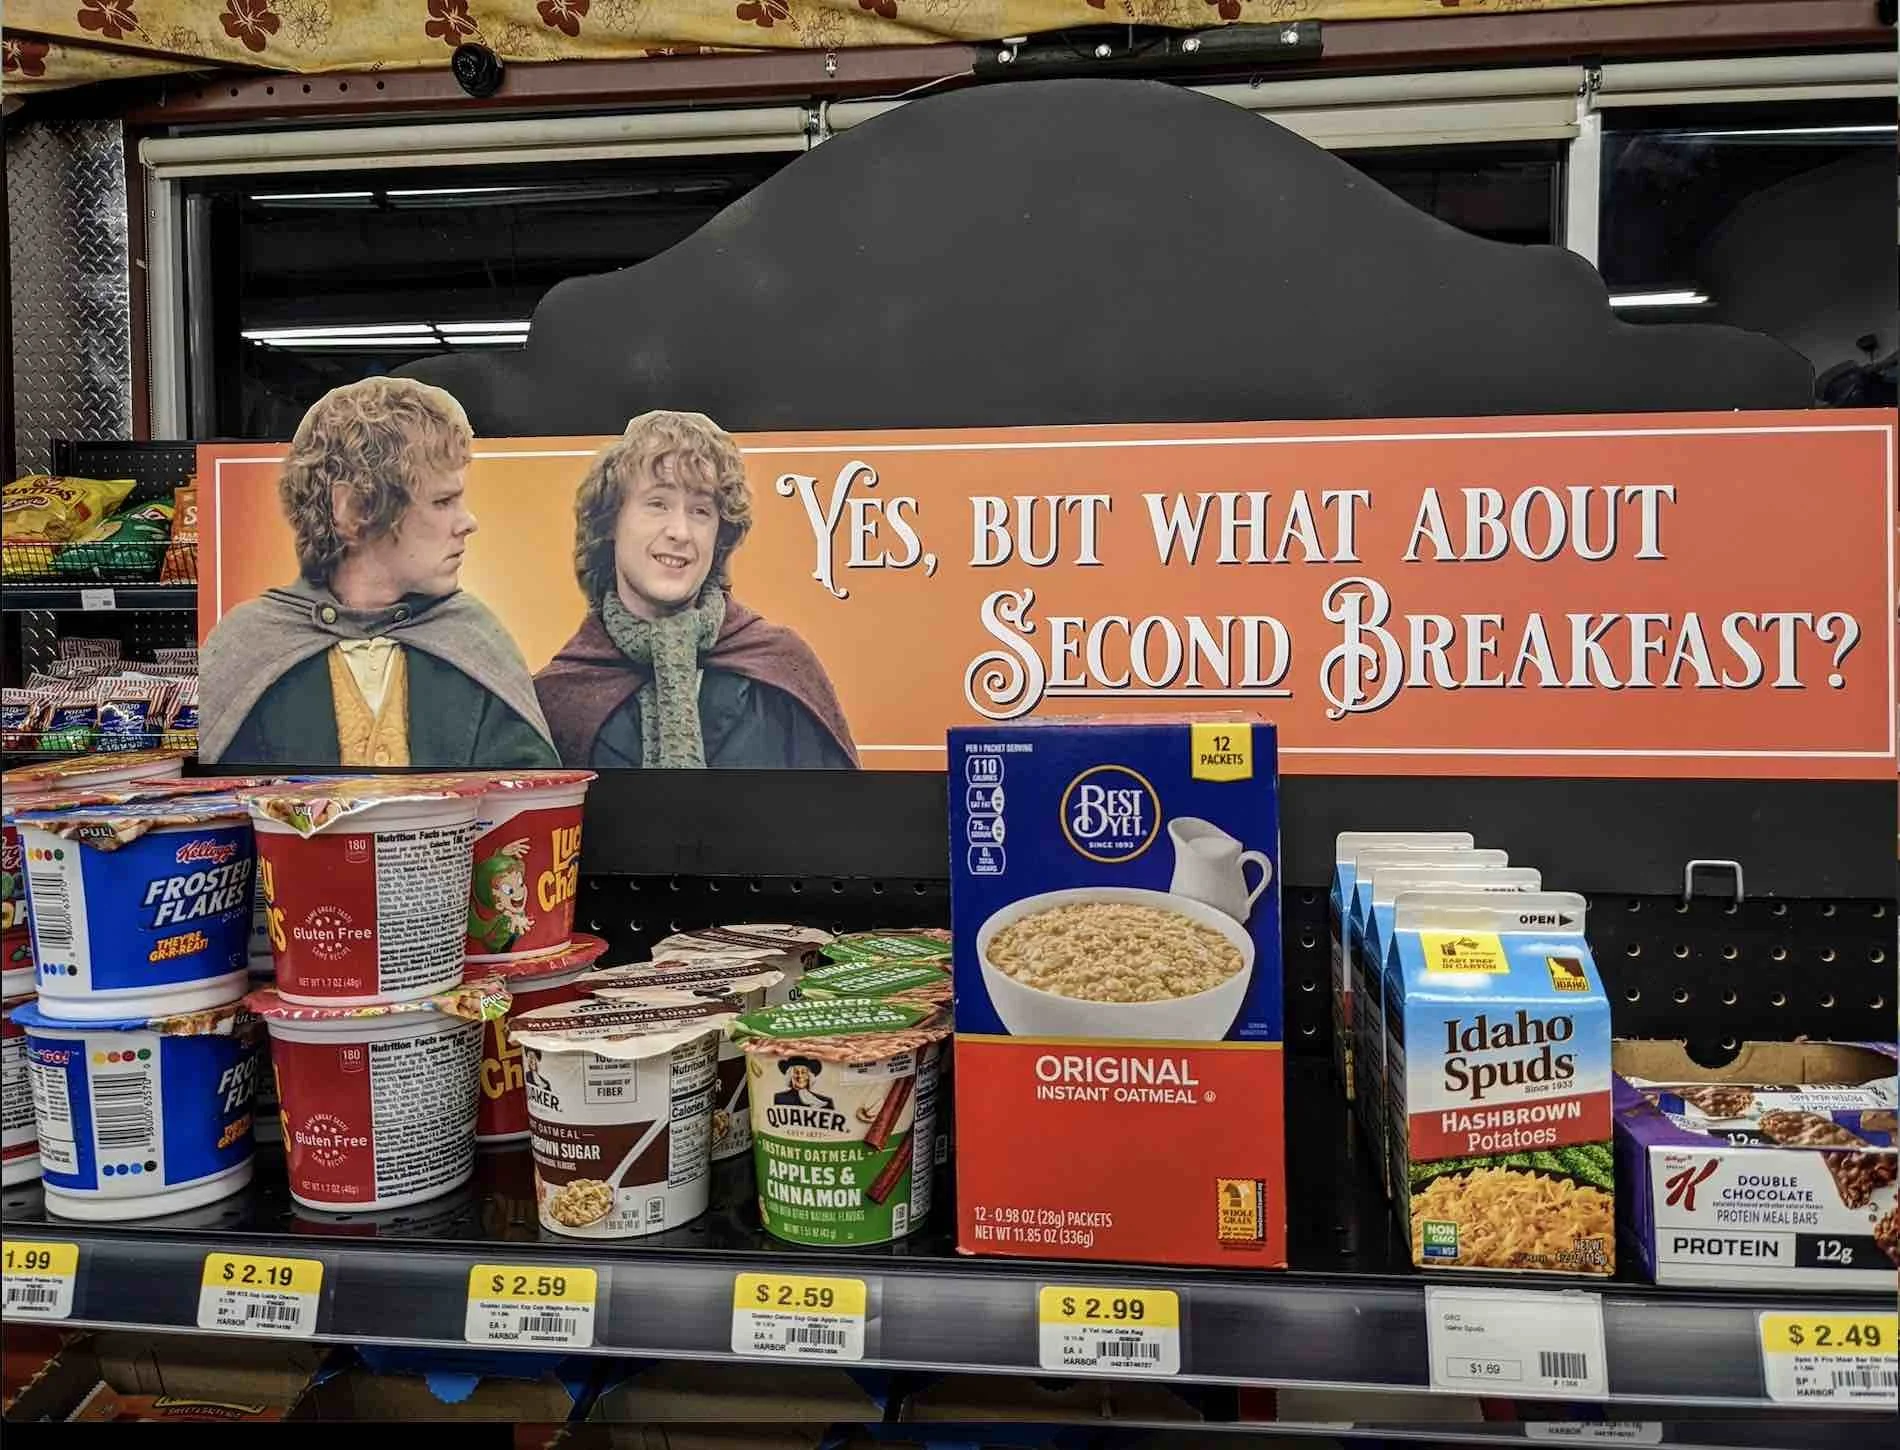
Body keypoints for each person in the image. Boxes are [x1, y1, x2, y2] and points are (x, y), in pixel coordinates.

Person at [200, 377, 557, 767]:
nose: (468, 522)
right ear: (354, 510)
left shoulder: (477, 639)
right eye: (443, 501)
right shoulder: (246, 646)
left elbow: (532, 795)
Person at [534, 410, 858, 768]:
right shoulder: (558, 701)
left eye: (700, 511)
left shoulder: (782, 673)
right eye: (658, 504)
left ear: (720, 533)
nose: (680, 532)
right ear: (611, 520)